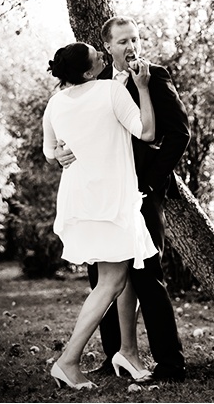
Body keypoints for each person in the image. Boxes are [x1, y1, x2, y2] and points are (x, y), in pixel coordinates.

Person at [55, 16, 191, 382]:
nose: (132, 47)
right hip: (103, 195)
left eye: (136, 39)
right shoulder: (94, 85)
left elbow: (179, 134)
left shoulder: (156, 76)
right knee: (104, 276)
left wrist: (148, 182)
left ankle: (170, 363)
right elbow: (76, 134)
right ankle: (115, 355)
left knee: (147, 276)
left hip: (141, 192)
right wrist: (61, 151)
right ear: (108, 48)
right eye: (123, 42)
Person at [43, 41, 158, 390]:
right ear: (89, 71)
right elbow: (148, 132)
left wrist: (58, 156)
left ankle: (127, 351)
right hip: (110, 197)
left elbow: (49, 150)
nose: (105, 57)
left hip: (82, 198)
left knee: (121, 272)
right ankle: (68, 361)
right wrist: (141, 88)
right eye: (98, 56)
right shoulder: (111, 91)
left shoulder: (55, 102)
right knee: (111, 280)